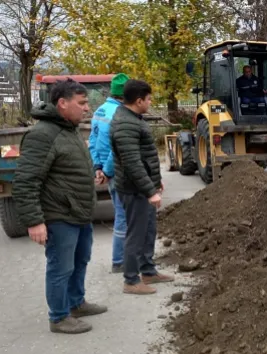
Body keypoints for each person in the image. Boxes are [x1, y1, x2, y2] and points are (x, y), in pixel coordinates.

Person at [13, 78, 108, 334]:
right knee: (61, 267)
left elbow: (65, 169)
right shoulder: (42, 135)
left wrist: (92, 174)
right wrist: (34, 221)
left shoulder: (68, 129)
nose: (87, 108)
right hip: (59, 215)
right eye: (82, 103)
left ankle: (76, 303)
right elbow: (26, 180)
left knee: (80, 261)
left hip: (78, 212)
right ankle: (59, 317)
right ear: (63, 103)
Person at [110, 79, 174, 295]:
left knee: (148, 230)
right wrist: (149, 190)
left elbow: (144, 157)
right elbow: (132, 162)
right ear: (139, 101)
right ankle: (130, 280)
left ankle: (148, 271)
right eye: (148, 99)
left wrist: (156, 181)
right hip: (134, 189)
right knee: (136, 234)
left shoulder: (133, 118)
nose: (150, 102)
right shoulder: (125, 123)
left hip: (143, 185)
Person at [88, 73, 130, 273]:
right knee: (124, 216)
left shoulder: (100, 111)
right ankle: (120, 261)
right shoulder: (120, 115)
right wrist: (106, 169)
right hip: (117, 170)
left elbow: (93, 142)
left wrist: (97, 168)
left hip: (107, 169)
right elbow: (118, 149)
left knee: (121, 214)